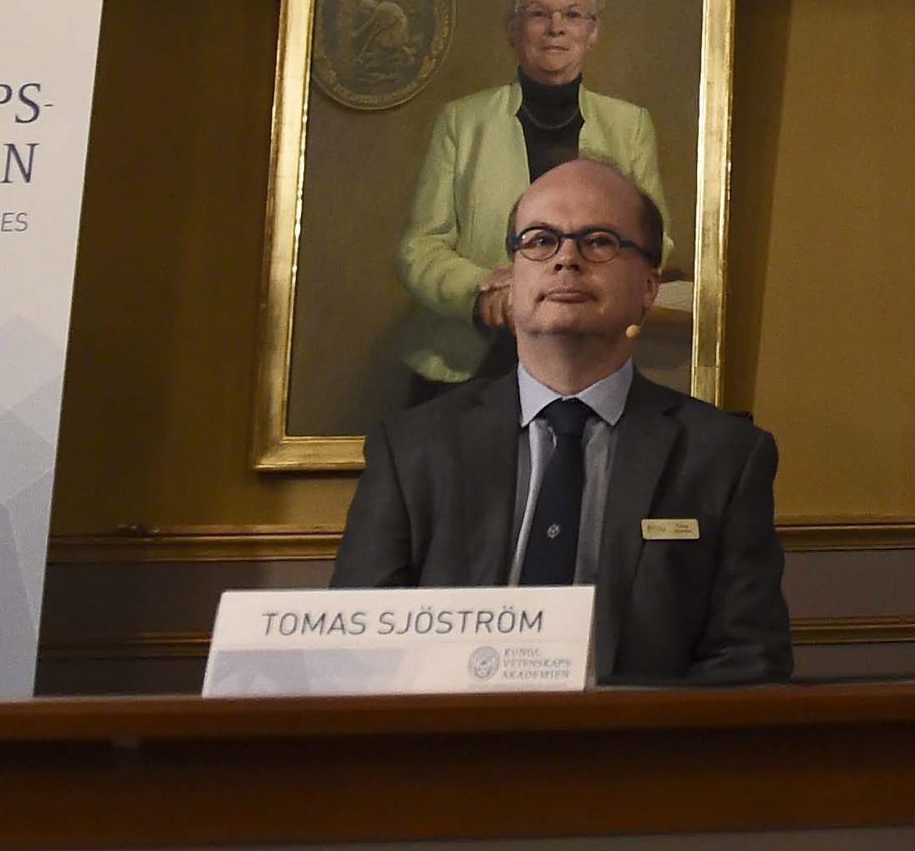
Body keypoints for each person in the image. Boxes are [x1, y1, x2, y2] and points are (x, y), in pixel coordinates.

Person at [334, 155, 792, 683]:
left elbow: (748, 664)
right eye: (540, 241)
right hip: (452, 755)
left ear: (648, 286)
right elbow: (356, 648)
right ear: (510, 277)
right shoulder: (410, 448)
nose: (566, 260)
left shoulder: (725, 457)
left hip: (637, 757)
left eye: (598, 242)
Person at [397, 0, 686, 407]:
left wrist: (574, 284)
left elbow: (656, 241)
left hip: (586, 359)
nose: (556, 28)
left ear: (593, 33)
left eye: (572, 15)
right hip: (464, 364)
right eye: (538, 14)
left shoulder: (630, 125)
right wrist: (486, 289)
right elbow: (420, 249)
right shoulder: (461, 121)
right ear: (512, 31)